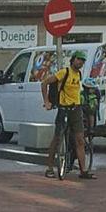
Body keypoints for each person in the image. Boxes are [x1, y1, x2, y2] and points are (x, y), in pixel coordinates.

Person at [41, 51, 96, 180]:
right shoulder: (64, 72)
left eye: (83, 60)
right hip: (64, 108)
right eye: (78, 59)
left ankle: (83, 170)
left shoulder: (79, 75)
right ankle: (49, 168)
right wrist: (46, 101)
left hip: (76, 108)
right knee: (58, 137)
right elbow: (44, 83)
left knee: (80, 139)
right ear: (73, 59)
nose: (80, 62)